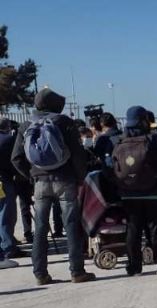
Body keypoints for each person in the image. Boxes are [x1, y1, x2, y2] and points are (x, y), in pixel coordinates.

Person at [11, 88, 95, 284]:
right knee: (71, 225)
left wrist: (31, 175)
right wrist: (80, 177)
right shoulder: (65, 122)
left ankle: (40, 274)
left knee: (40, 228)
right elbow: (77, 154)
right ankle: (77, 272)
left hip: (40, 183)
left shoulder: (26, 125)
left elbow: (16, 158)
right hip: (65, 180)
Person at [110, 106, 157, 276]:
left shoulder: (119, 142)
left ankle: (134, 267)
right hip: (154, 192)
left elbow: (113, 167)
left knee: (133, 229)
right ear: (144, 120)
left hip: (128, 193)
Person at [0, 119, 27, 261]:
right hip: (4, 180)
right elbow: (15, 160)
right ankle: (9, 247)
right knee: (7, 214)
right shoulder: (9, 140)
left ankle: (4, 243)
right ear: (8, 127)